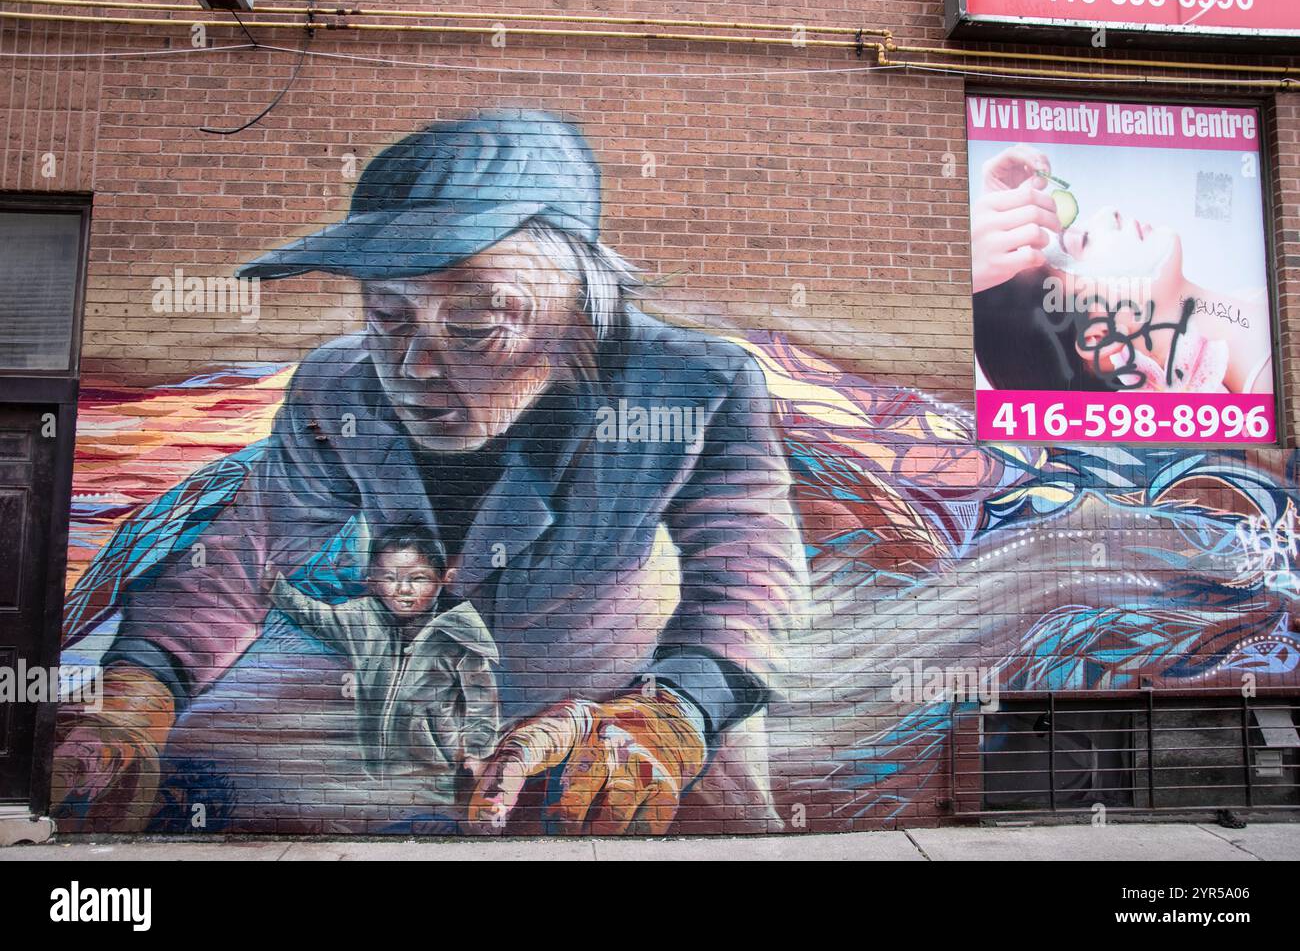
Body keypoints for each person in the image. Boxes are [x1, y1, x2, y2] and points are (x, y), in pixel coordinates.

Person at [52, 110, 810, 835]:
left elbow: (752, 576)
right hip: (467, 759)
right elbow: (247, 553)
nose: (411, 368)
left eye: (475, 326)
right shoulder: (338, 387)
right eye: (387, 319)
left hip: (641, 754)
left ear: (581, 305)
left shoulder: (695, 381)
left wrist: (671, 715)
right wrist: (136, 699)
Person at [971, 143, 1273, 395]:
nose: (1108, 213)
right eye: (1083, 241)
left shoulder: (1260, 306)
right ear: (1100, 336)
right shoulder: (1272, 379)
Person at [262, 526, 500, 800]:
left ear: (444, 578)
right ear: (373, 581)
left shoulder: (458, 638)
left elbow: (482, 703)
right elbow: (316, 617)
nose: (403, 589)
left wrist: (477, 752)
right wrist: (276, 587)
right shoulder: (363, 620)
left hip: (435, 777)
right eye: (390, 577)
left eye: (418, 578)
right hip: (376, 771)